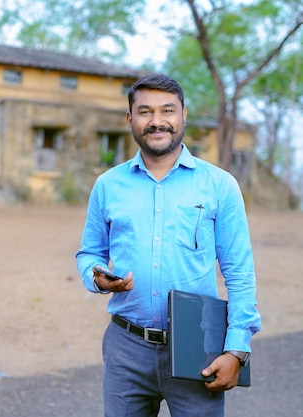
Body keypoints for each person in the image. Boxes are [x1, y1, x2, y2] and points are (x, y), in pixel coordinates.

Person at [75, 73, 261, 417]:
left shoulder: (220, 185)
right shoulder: (108, 185)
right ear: (130, 119)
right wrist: (97, 277)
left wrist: (237, 350)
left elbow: (239, 272)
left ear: (184, 115)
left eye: (167, 111)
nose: (157, 121)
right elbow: (90, 253)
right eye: (145, 112)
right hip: (125, 348)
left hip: (197, 348)